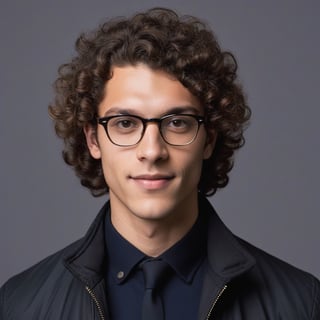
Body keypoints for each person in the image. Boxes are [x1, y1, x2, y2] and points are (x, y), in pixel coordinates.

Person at [0, 7, 319, 320]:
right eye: (125, 123)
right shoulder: (19, 305)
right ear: (93, 140)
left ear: (208, 140)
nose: (152, 151)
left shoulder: (302, 304)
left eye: (177, 122)